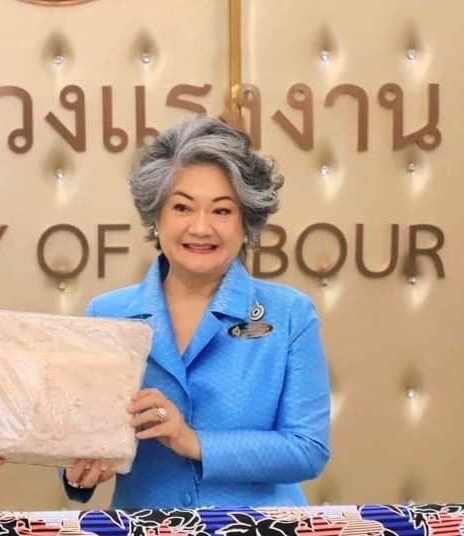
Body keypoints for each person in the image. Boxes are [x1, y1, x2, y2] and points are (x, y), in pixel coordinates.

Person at [64, 116, 331, 508]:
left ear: (246, 223)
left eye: (222, 211)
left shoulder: (290, 314)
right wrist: (80, 470)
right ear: (156, 217)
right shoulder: (107, 313)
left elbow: (307, 449)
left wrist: (191, 441)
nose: (201, 228)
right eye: (183, 208)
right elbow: (79, 439)